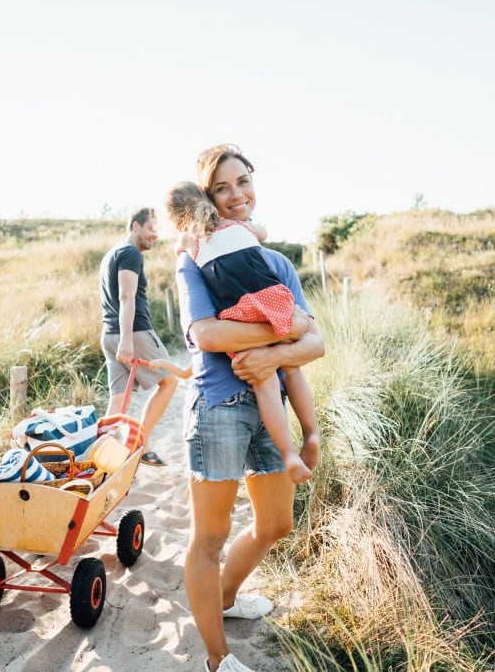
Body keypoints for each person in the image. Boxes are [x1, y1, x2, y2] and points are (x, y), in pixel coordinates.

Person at [176, 144, 325, 672]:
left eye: (243, 181)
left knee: (276, 524)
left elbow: (316, 344)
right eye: (222, 187)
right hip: (218, 404)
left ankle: (227, 598)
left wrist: (271, 355)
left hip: (270, 405)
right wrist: (283, 330)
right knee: (208, 538)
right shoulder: (196, 255)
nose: (237, 195)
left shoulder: (276, 261)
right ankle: (218, 658)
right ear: (206, 199)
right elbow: (207, 333)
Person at [165, 180, 318, 484]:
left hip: (244, 313)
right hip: (276, 299)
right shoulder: (242, 230)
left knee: (264, 381)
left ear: (178, 220)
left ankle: (288, 453)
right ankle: (311, 433)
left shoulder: (192, 242)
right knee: (292, 370)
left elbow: (180, 247)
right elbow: (262, 233)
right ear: (209, 200)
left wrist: (184, 239)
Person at [98, 207, 177, 466]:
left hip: (109, 334)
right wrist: (127, 340)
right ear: (135, 226)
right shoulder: (130, 252)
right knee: (170, 381)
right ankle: (140, 444)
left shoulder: (112, 253)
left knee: (118, 402)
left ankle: (99, 459)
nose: (154, 235)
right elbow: (126, 296)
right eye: (151, 229)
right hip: (133, 333)